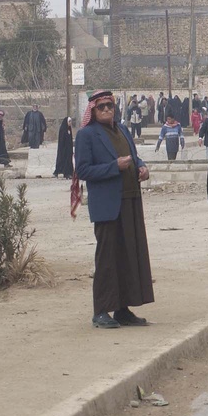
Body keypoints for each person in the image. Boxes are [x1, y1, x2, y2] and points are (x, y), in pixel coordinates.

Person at [71, 90, 153, 329]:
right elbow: (83, 171)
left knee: (128, 255)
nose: (107, 110)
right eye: (102, 107)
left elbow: (135, 158)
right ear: (93, 111)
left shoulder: (123, 130)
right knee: (107, 258)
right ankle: (100, 311)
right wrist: (113, 166)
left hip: (130, 200)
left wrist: (143, 168)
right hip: (107, 205)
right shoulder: (87, 135)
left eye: (110, 105)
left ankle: (123, 309)